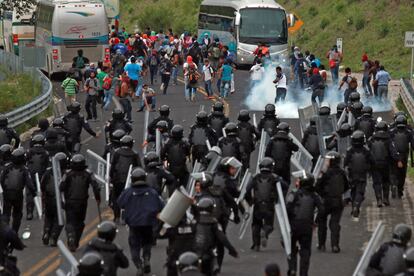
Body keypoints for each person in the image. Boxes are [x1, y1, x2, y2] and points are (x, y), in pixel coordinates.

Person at [117, 167, 164, 276]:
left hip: (134, 225)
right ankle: (146, 258)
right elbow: (162, 205)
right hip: (148, 224)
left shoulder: (128, 192)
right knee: (147, 243)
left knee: (134, 246)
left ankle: (139, 265)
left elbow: (119, 203)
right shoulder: (152, 192)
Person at [60, 154, 101, 252]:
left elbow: (61, 187)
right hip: (82, 202)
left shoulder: (67, 174)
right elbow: (95, 186)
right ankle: (76, 240)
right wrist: (98, 198)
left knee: (70, 221)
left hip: (69, 201)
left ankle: (71, 237)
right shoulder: (88, 173)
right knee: (80, 222)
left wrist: (61, 200)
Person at [286, 173, 323, 276]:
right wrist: (316, 222)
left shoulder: (294, 193)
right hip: (307, 226)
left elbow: (287, 208)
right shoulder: (315, 195)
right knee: (305, 251)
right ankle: (303, 273)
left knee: (291, 248)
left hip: (294, 225)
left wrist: (288, 222)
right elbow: (322, 209)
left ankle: (292, 269)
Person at [193, 197, 238, 275]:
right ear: (211, 209)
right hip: (207, 253)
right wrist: (232, 250)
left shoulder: (194, 222)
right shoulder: (214, 223)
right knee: (213, 265)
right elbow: (222, 238)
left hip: (194, 253)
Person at [245, 157, 282, 251]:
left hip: (257, 204)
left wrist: (250, 200)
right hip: (269, 204)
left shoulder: (255, 177)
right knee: (269, 224)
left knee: (256, 224)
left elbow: (247, 188)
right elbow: (284, 185)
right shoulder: (274, 177)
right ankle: (265, 232)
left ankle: (256, 244)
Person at [315, 151, 349, 253]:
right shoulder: (342, 172)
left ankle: (321, 244)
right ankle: (335, 245)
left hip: (326, 200)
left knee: (322, 222)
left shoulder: (325, 173)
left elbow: (317, 186)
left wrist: (322, 194)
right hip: (338, 201)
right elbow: (347, 186)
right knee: (335, 223)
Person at [0, 148, 35, 233]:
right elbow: (29, 183)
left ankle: (5, 231)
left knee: (6, 213)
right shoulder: (24, 169)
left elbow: (1, 179)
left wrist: (4, 189)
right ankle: (14, 232)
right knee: (17, 214)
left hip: (7, 193)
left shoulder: (6, 167)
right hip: (18, 194)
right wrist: (34, 192)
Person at [368, 121, 401, 207]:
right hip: (386, 164)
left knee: (376, 182)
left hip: (374, 164)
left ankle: (379, 199)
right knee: (386, 181)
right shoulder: (388, 139)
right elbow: (393, 151)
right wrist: (398, 160)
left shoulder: (371, 139)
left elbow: (367, 151)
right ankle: (386, 199)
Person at [110, 135, 141, 222]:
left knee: (116, 198)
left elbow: (112, 166)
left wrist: (111, 177)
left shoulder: (117, 153)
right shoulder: (134, 154)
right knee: (129, 198)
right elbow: (139, 167)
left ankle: (116, 216)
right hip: (130, 180)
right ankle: (126, 216)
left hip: (118, 180)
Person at [344, 130, 373, 220]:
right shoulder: (366, 150)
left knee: (353, 191)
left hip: (352, 174)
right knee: (360, 192)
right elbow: (372, 161)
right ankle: (356, 206)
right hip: (362, 174)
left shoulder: (349, 150)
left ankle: (354, 207)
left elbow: (345, 162)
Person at [40, 152, 67, 247]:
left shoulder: (48, 172)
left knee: (48, 217)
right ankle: (53, 237)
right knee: (59, 219)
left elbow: (42, 185)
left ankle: (46, 232)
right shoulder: (65, 174)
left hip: (48, 199)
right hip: (60, 200)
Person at [25, 134, 49, 220]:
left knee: (30, 193)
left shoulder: (28, 151)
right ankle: (44, 209)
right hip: (42, 175)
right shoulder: (46, 153)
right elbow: (48, 165)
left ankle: (29, 212)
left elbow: (25, 163)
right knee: (45, 191)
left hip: (31, 175)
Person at [390, 115, 414, 199]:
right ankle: (400, 190)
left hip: (393, 155)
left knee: (393, 172)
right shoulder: (409, 132)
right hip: (404, 156)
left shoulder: (391, 131)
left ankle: (393, 184)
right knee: (402, 174)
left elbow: (389, 144)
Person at [161, 125, 191, 190]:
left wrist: (164, 159)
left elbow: (162, 154)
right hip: (182, 168)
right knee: (187, 176)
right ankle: (184, 190)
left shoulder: (168, 143)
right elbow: (188, 153)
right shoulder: (184, 143)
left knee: (168, 178)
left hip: (171, 168)